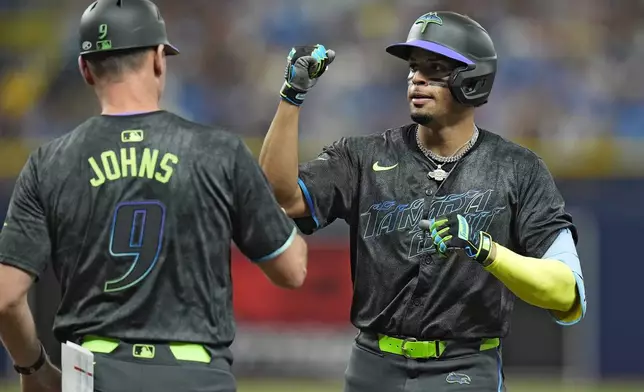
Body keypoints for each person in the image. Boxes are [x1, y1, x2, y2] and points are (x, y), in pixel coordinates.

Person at [259, 11, 586, 392]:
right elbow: (281, 194)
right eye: (414, 68)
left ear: (472, 79)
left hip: (465, 368)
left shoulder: (517, 169)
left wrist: (485, 249)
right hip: (372, 366)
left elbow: (566, 292)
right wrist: (292, 97)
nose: (417, 77)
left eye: (435, 69)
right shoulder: (362, 156)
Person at [0, 1, 307, 391]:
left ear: (85, 69)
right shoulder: (219, 153)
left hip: (93, 373)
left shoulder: (49, 162)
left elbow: (6, 299)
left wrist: (34, 367)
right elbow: (292, 270)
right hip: (197, 375)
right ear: (160, 59)